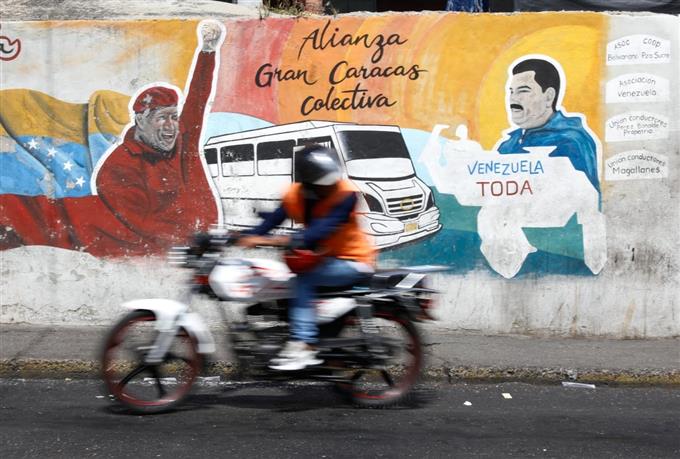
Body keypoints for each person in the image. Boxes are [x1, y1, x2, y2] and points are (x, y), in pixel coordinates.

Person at [0, 21, 224, 257]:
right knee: (28, 217)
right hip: (119, 241)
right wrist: (194, 240)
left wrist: (208, 51)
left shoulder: (183, 143)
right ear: (141, 120)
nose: (171, 126)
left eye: (174, 117)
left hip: (199, 248)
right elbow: (145, 227)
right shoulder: (118, 166)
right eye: (162, 118)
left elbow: (198, 100)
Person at [237, 144, 376, 371]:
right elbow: (272, 221)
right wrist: (243, 236)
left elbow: (319, 231)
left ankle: (303, 344)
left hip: (354, 262)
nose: (331, 187)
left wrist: (272, 241)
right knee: (283, 281)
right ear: (308, 184)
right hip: (327, 262)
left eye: (332, 181)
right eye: (324, 184)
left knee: (304, 278)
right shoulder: (296, 195)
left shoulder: (345, 195)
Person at [494, 57, 600, 194]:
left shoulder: (571, 142)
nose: (513, 98)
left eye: (523, 91)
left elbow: (583, 198)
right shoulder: (507, 145)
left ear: (549, 96)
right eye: (512, 91)